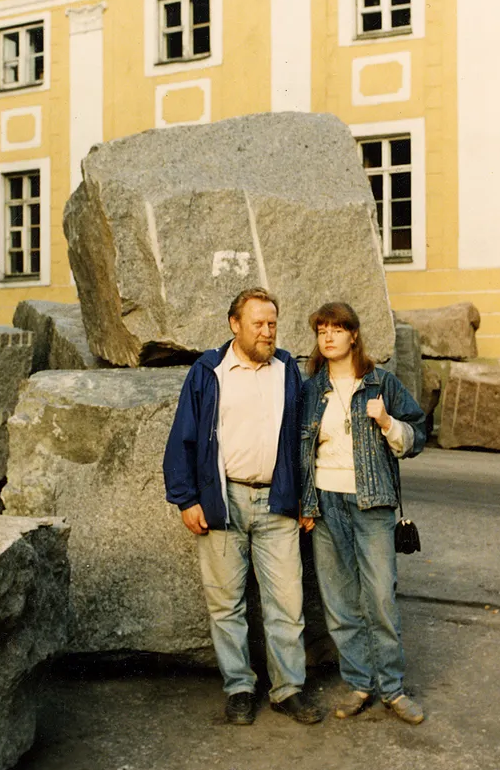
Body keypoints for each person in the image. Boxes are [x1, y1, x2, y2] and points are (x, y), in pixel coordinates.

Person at [163, 287, 323, 726]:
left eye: (272, 323)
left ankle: (288, 689)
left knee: (287, 604)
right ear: (235, 324)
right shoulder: (208, 370)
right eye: (258, 324)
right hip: (223, 501)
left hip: (278, 502)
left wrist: (307, 499)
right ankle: (239, 688)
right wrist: (186, 499)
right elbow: (183, 437)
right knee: (225, 604)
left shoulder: (287, 369)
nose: (268, 331)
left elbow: (304, 440)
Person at [300, 302, 427, 723]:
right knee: (339, 602)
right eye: (322, 331)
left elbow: (418, 434)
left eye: (338, 329)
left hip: (372, 503)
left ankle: (391, 689)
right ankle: (358, 684)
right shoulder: (309, 389)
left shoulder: (381, 384)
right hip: (325, 501)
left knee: (380, 598)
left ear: (354, 335)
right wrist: (305, 503)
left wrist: (388, 423)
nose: (329, 337)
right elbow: (298, 451)